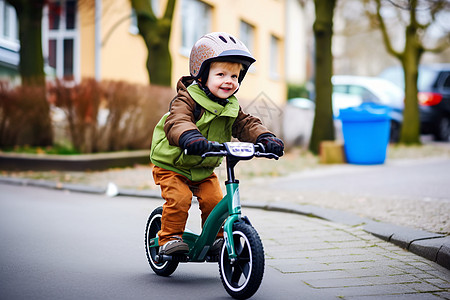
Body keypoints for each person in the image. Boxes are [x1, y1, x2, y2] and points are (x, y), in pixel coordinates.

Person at [150, 32, 284, 256]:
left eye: (234, 76)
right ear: (202, 75)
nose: (229, 80)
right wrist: (190, 137)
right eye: (221, 74)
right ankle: (168, 238)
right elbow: (178, 120)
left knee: (214, 201)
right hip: (173, 165)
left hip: (203, 167)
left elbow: (245, 124)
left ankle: (219, 240)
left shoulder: (230, 105)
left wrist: (265, 138)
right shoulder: (187, 99)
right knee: (179, 199)